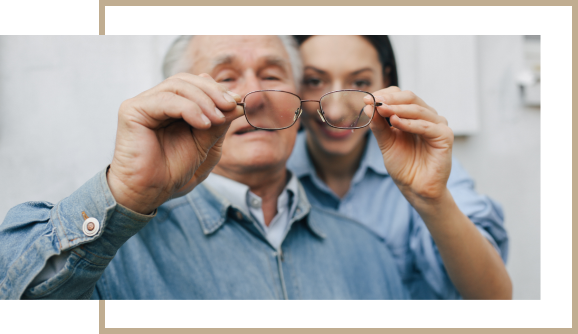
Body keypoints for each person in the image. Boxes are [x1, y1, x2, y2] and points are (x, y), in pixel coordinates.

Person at [0, 35, 408, 300]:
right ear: (178, 102)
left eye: (271, 75)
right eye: (226, 77)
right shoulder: (110, 253)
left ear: (299, 106)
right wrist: (123, 193)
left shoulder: (370, 255)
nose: (254, 96)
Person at [286, 35, 511, 300]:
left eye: (360, 82)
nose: (335, 112)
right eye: (314, 81)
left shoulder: (422, 164)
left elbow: (493, 295)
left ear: (385, 80)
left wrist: (432, 200)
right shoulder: (271, 172)